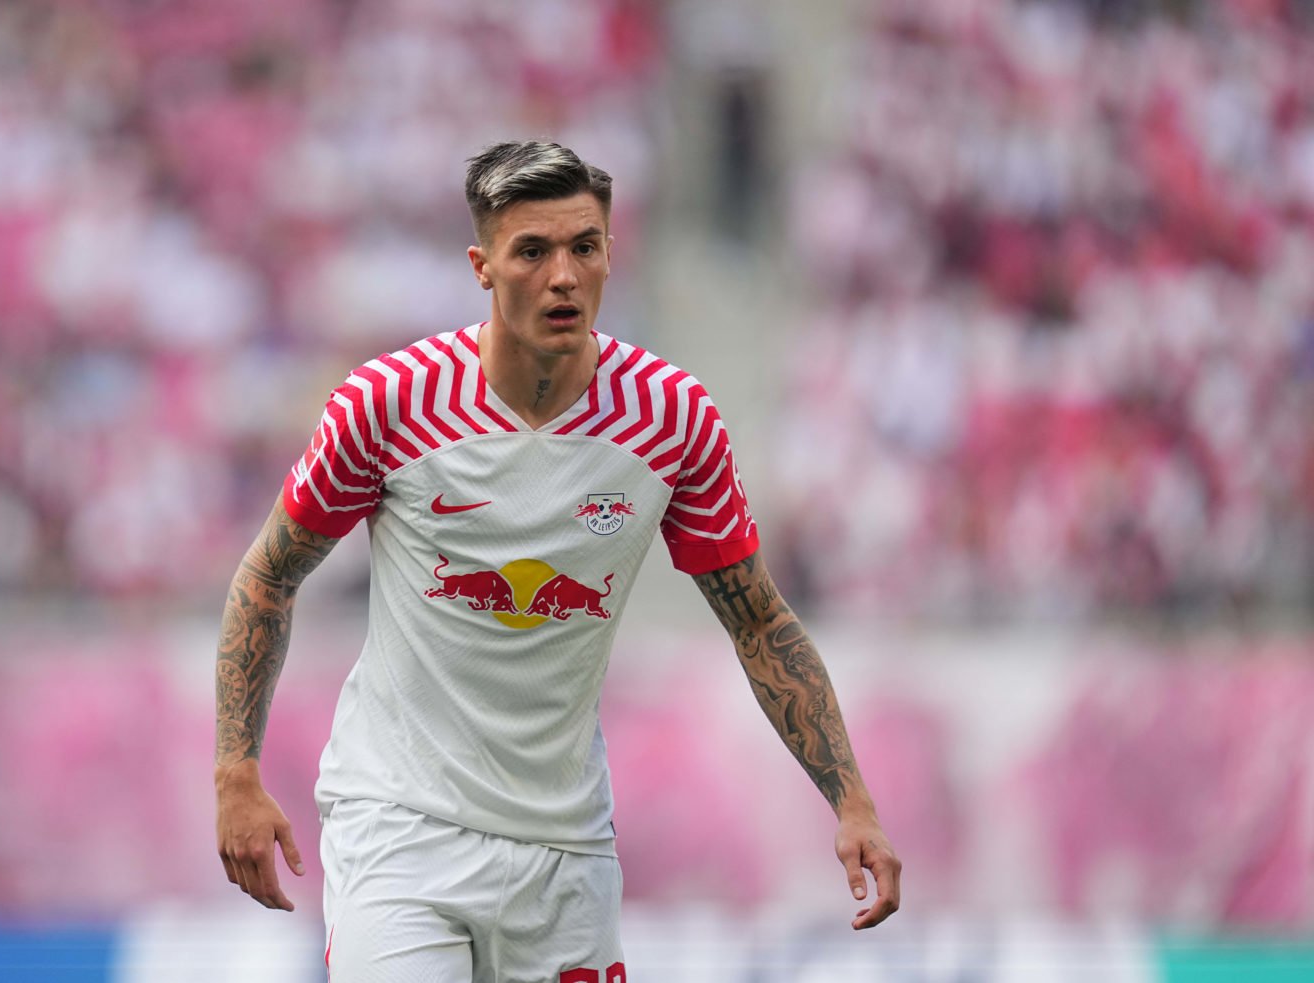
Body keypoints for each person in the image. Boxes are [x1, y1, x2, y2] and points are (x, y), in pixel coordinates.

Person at [214, 140, 901, 981]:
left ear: (612, 253)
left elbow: (757, 618)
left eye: (585, 246)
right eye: (532, 251)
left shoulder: (672, 419)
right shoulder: (389, 403)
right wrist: (234, 772)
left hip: (564, 848)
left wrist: (851, 799)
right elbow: (267, 576)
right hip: (399, 827)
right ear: (482, 266)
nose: (564, 275)